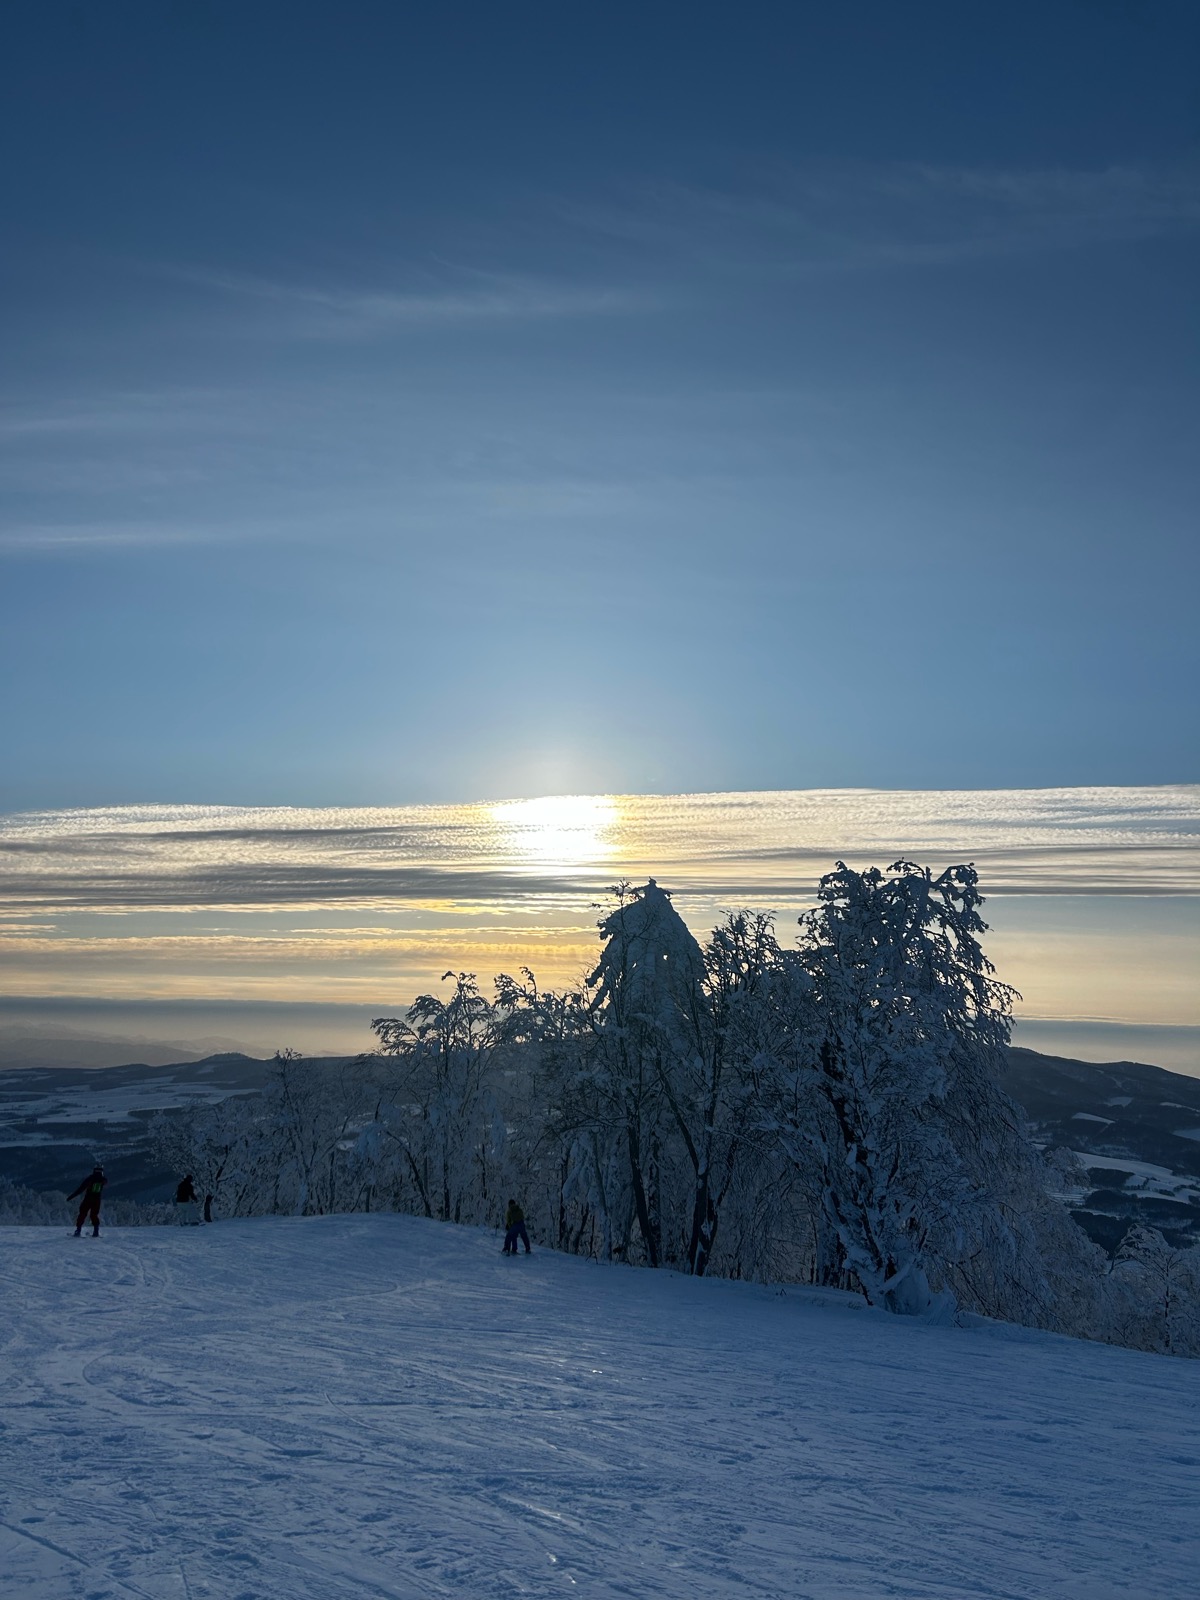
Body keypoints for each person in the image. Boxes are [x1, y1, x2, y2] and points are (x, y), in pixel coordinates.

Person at [68, 1164, 106, 1237]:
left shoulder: (90, 1179)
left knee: (82, 1213)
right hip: (97, 1200)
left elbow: (81, 1189)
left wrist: (71, 1196)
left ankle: (78, 1231)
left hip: (88, 1199)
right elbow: (105, 1182)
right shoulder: (103, 1180)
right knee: (94, 1215)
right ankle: (96, 1232)